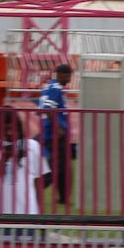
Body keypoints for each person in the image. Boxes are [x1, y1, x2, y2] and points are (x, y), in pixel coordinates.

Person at [0, 107, 48, 214]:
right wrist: (4, 158)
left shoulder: (33, 147)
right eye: (6, 128)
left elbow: (38, 183)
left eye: (12, 128)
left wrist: (40, 214)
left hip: (28, 213)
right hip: (0, 214)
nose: (10, 133)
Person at [38, 63, 73, 206]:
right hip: (54, 135)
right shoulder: (55, 88)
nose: (69, 79)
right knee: (56, 168)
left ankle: (64, 198)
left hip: (50, 133)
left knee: (63, 168)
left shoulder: (49, 87)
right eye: (68, 75)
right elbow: (48, 109)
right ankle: (34, 189)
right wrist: (58, 128)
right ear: (61, 75)